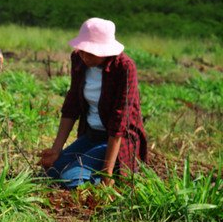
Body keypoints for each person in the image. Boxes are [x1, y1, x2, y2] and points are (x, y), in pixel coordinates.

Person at [38, 17, 147, 188]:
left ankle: (115, 175)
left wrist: (107, 172)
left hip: (116, 142)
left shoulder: (124, 68)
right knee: (53, 171)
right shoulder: (79, 60)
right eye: (82, 50)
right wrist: (56, 151)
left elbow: (119, 122)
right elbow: (72, 105)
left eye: (90, 52)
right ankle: (88, 173)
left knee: (70, 178)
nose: (84, 56)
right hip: (91, 135)